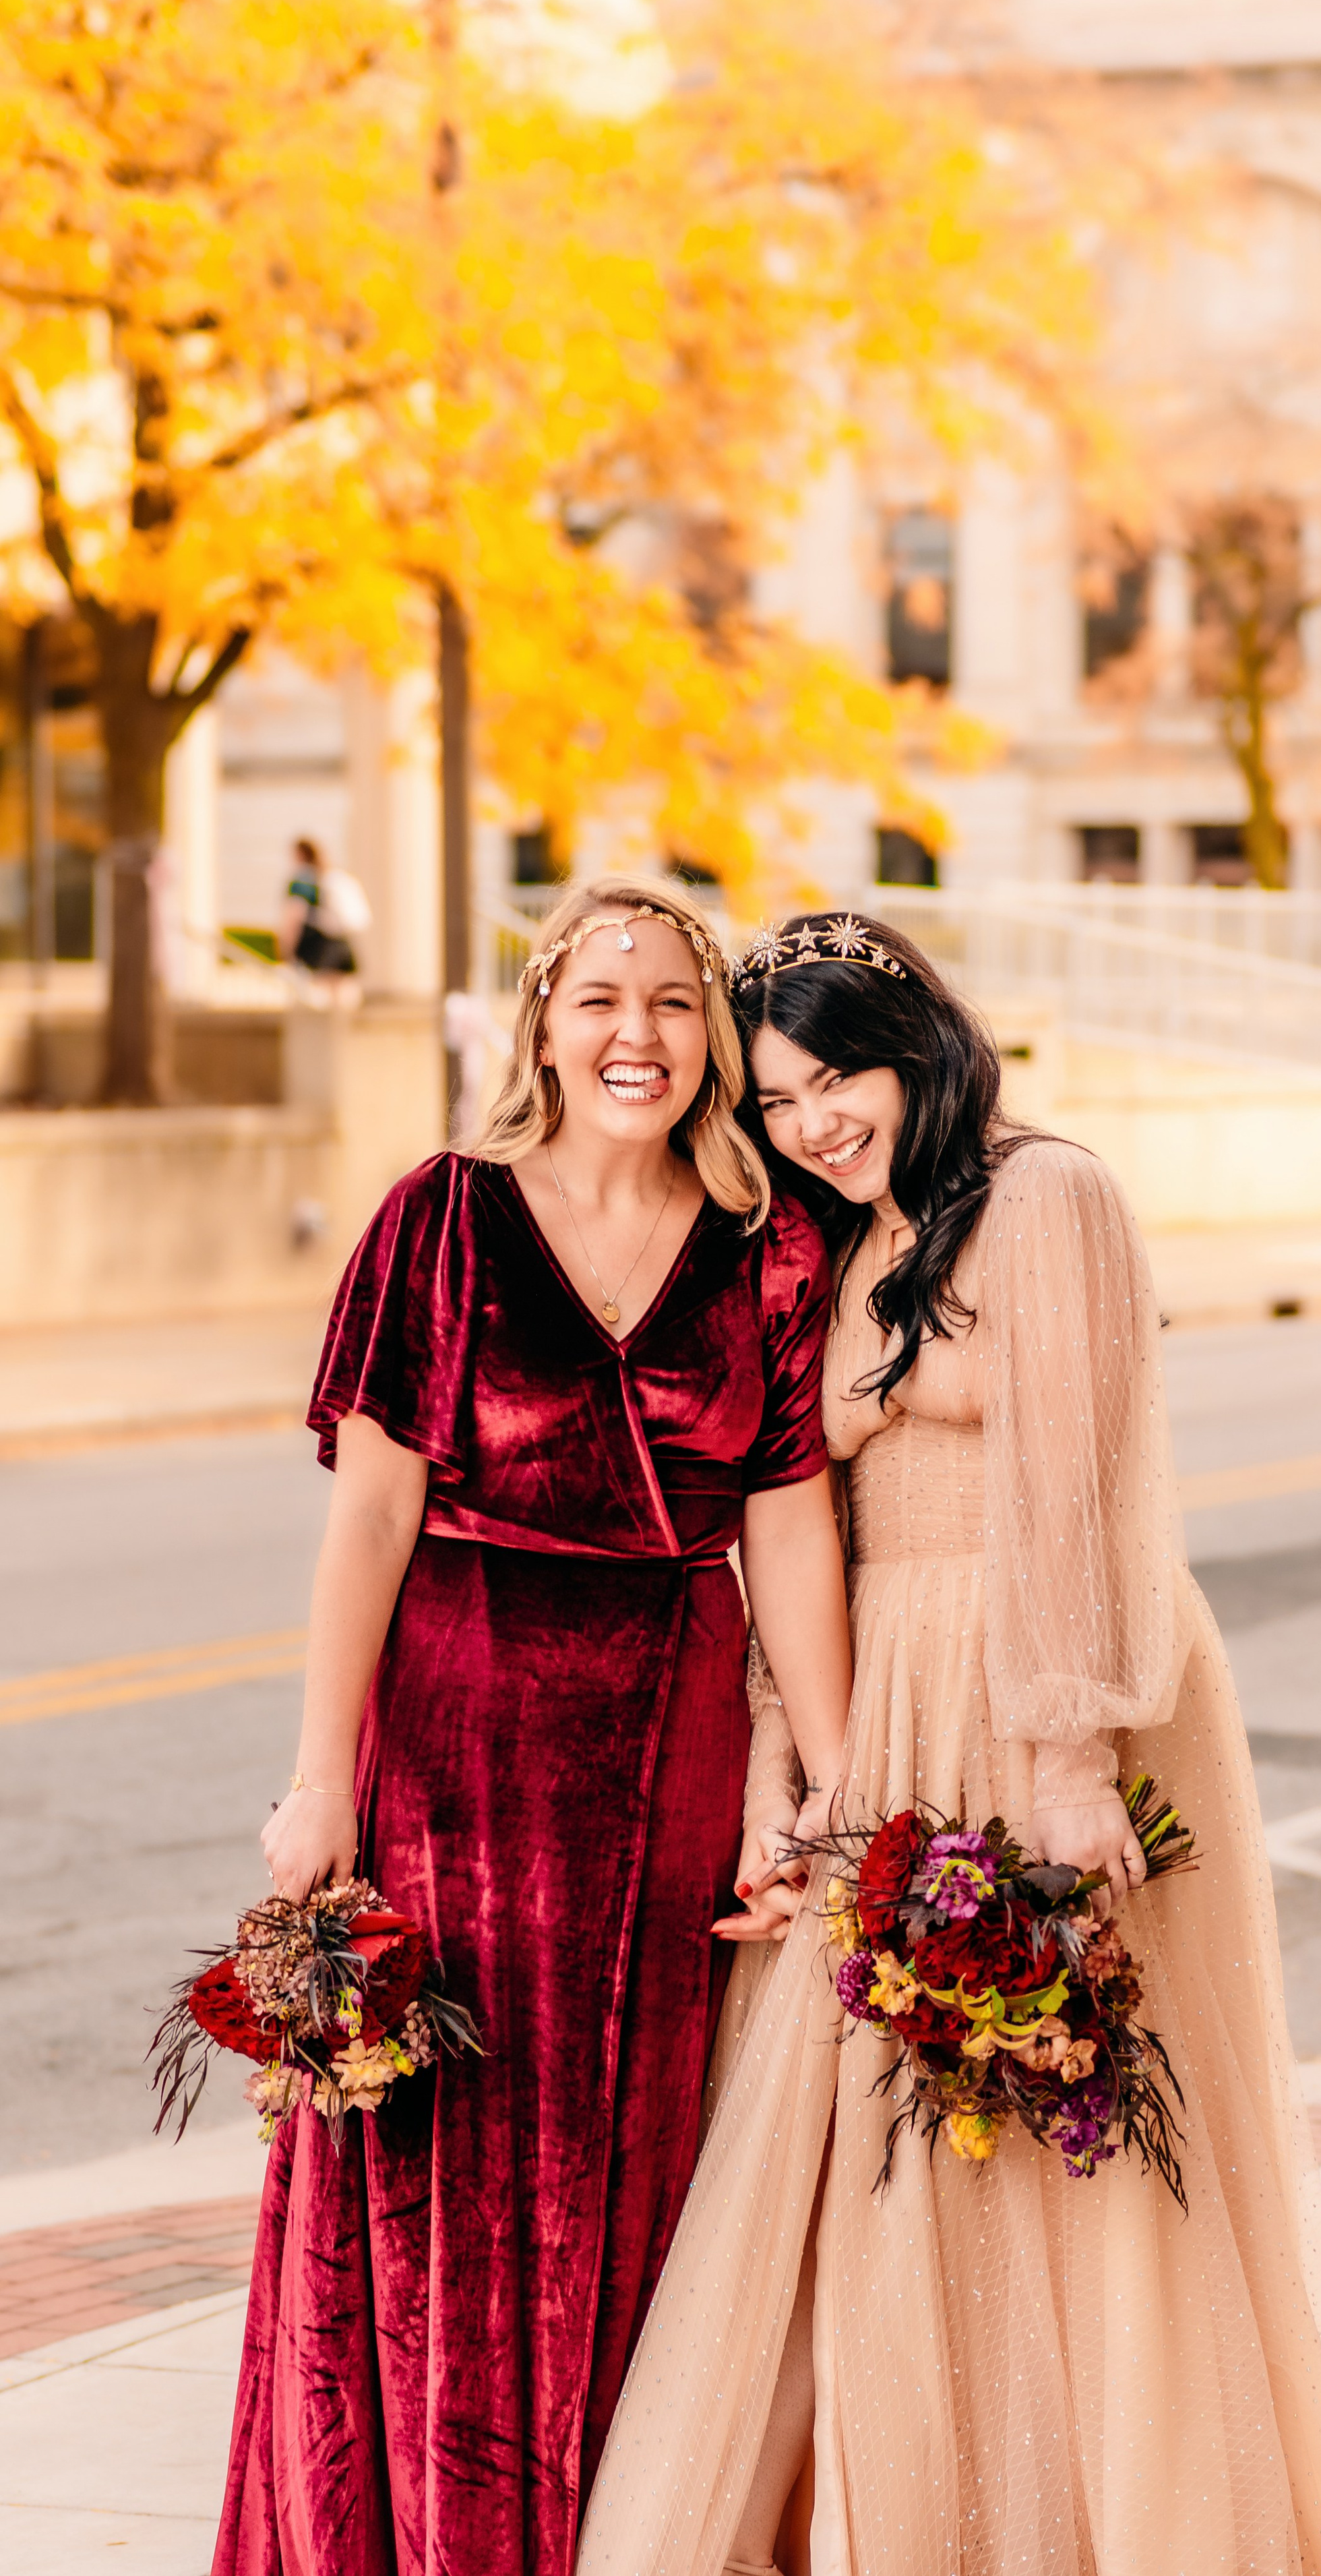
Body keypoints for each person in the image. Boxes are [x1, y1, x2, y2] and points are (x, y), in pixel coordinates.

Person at [577, 913, 1321, 2576]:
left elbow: (1077, 1482)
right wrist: (788, 1770)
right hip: (879, 1683)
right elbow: (788, 1528)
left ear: (919, 1044)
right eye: (779, 1097)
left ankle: (1114, 2517)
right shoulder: (825, 1235)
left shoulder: (1046, 1196)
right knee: (857, 2133)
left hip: (1043, 1670)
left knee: (1061, 2110)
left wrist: (1063, 1753)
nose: (812, 1117)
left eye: (839, 1075)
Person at [214, 877, 852, 2576]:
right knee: (435, 2150)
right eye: (598, 998)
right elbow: (366, 1520)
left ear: (710, 1036)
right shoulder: (439, 1215)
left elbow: (786, 1521)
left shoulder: (769, 1241)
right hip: (450, 1736)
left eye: (668, 1000)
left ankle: (612, 2534)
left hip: (665, 1740)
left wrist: (837, 1791)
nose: (632, 1032)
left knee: (636, 2154)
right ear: (541, 1024)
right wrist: (319, 1778)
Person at [278, 835, 369, 981]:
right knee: (343, 987)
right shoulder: (331, 876)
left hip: (319, 944)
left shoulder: (302, 881)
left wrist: (286, 950)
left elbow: (295, 915)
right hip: (342, 942)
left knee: (321, 989)